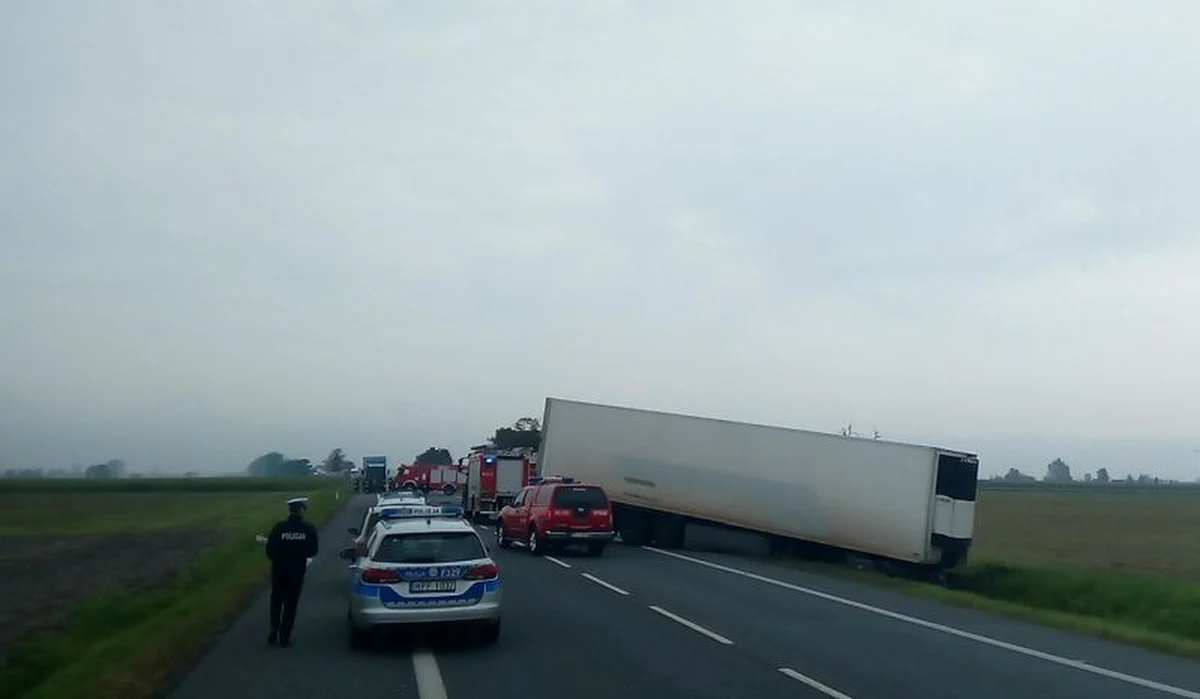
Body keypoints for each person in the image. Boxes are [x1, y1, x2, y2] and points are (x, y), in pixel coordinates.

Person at [265, 497, 319, 647]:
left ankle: (273, 629)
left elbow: (269, 550)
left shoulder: (279, 527)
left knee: (276, 599)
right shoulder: (308, 529)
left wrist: (279, 558)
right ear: (301, 510)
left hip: (278, 569)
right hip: (297, 570)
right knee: (291, 603)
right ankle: (284, 635)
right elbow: (313, 551)